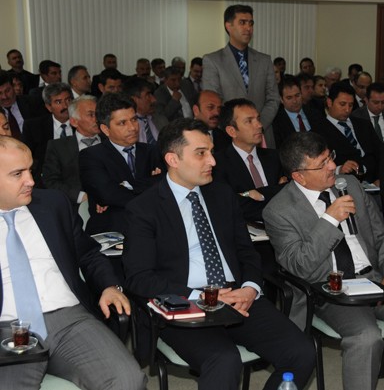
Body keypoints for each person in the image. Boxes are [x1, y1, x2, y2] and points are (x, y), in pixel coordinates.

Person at [123, 118, 315, 390]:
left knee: (301, 351)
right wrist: (200, 296)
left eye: (211, 152)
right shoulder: (144, 208)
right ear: (173, 159)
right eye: (201, 153)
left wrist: (250, 288)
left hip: (237, 296)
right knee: (224, 360)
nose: (212, 161)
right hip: (185, 303)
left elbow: (247, 252)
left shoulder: (221, 194)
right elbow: (139, 278)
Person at [263, 131, 384, 390]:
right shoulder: (278, 211)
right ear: (299, 176)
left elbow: (383, 238)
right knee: (366, 337)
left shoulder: (350, 185)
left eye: (330, 157)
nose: (333, 166)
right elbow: (301, 266)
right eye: (322, 164)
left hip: (375, 278)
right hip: (329, 289)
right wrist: (329, 220)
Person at [0, 136, 146, 389]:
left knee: (128, 381)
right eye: (18, 174)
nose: (31, 180)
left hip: (69, 319)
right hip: (7, 328)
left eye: (30, 170)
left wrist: (109, 286)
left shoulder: (53, 204)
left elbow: (88, 254)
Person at [79, 92, 162, 234]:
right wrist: (151, 184)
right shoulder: (91, 156)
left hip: (154, 226)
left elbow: (167, 187)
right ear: (106, 129)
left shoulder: (153, 151)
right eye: (122, 123)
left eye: (134, 119)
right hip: (113, 231)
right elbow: (109, 195)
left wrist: (126, 186)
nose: (133, 127)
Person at [202, 4, 280, 148]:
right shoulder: (213, 61)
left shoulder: (264, 60)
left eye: (251, 23)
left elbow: (273, 98)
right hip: (229, 136)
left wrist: (257, 125)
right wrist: (239, 128)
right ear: (228, 26)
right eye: (242, 22)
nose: (248, 28)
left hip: (262, 135)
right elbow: (214, 102)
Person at [214, 98, 287, 222]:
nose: (259, 125)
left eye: (258, 119)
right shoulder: (218, 164)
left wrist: (256, 194)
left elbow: (292, 190)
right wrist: (276, 191)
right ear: (232, 131)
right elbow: (235, 206)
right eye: (249, 121)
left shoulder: (275, 157)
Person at [311, 82, 381, 183]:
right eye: (342, 104)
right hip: (343, 182)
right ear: (329, 102)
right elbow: (316, 166)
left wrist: (380, 178)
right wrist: (338, 169)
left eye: (351, 105)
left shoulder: (364, 125)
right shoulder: (317, 132)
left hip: (374, 180)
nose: (347, 109)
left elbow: (380, 154)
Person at [41, 95, 100, 204]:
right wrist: (80, 196)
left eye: (98, 114)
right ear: (74, 121)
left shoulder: (112, 140)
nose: (96, 119)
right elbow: (50, 181)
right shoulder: (57, 147)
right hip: (75, 205)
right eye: (91, 115)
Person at [22, 82, 73, 185]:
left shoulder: (82, 123)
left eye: (68, 100)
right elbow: (27, 158)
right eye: (58, 102)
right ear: (49, 107)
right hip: (46, 178)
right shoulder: (33, 127)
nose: (65, 106)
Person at [272, 75, 319, 148]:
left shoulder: (315, 113)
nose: (294, 101)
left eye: (297, 95)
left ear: (301, 94)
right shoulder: (276, 122)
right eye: (289, 98)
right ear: (281, 99)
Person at [122, 77, 168, 145]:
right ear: (134, 100)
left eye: (152, 95)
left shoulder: (160, 119)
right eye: (148, 95)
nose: (154, 100)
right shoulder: (124, 127)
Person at [0, 70, 40, 138]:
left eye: (7, 91)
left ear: (13, 87)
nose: (5, 96)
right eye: (0, 93)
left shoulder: (33, 103)